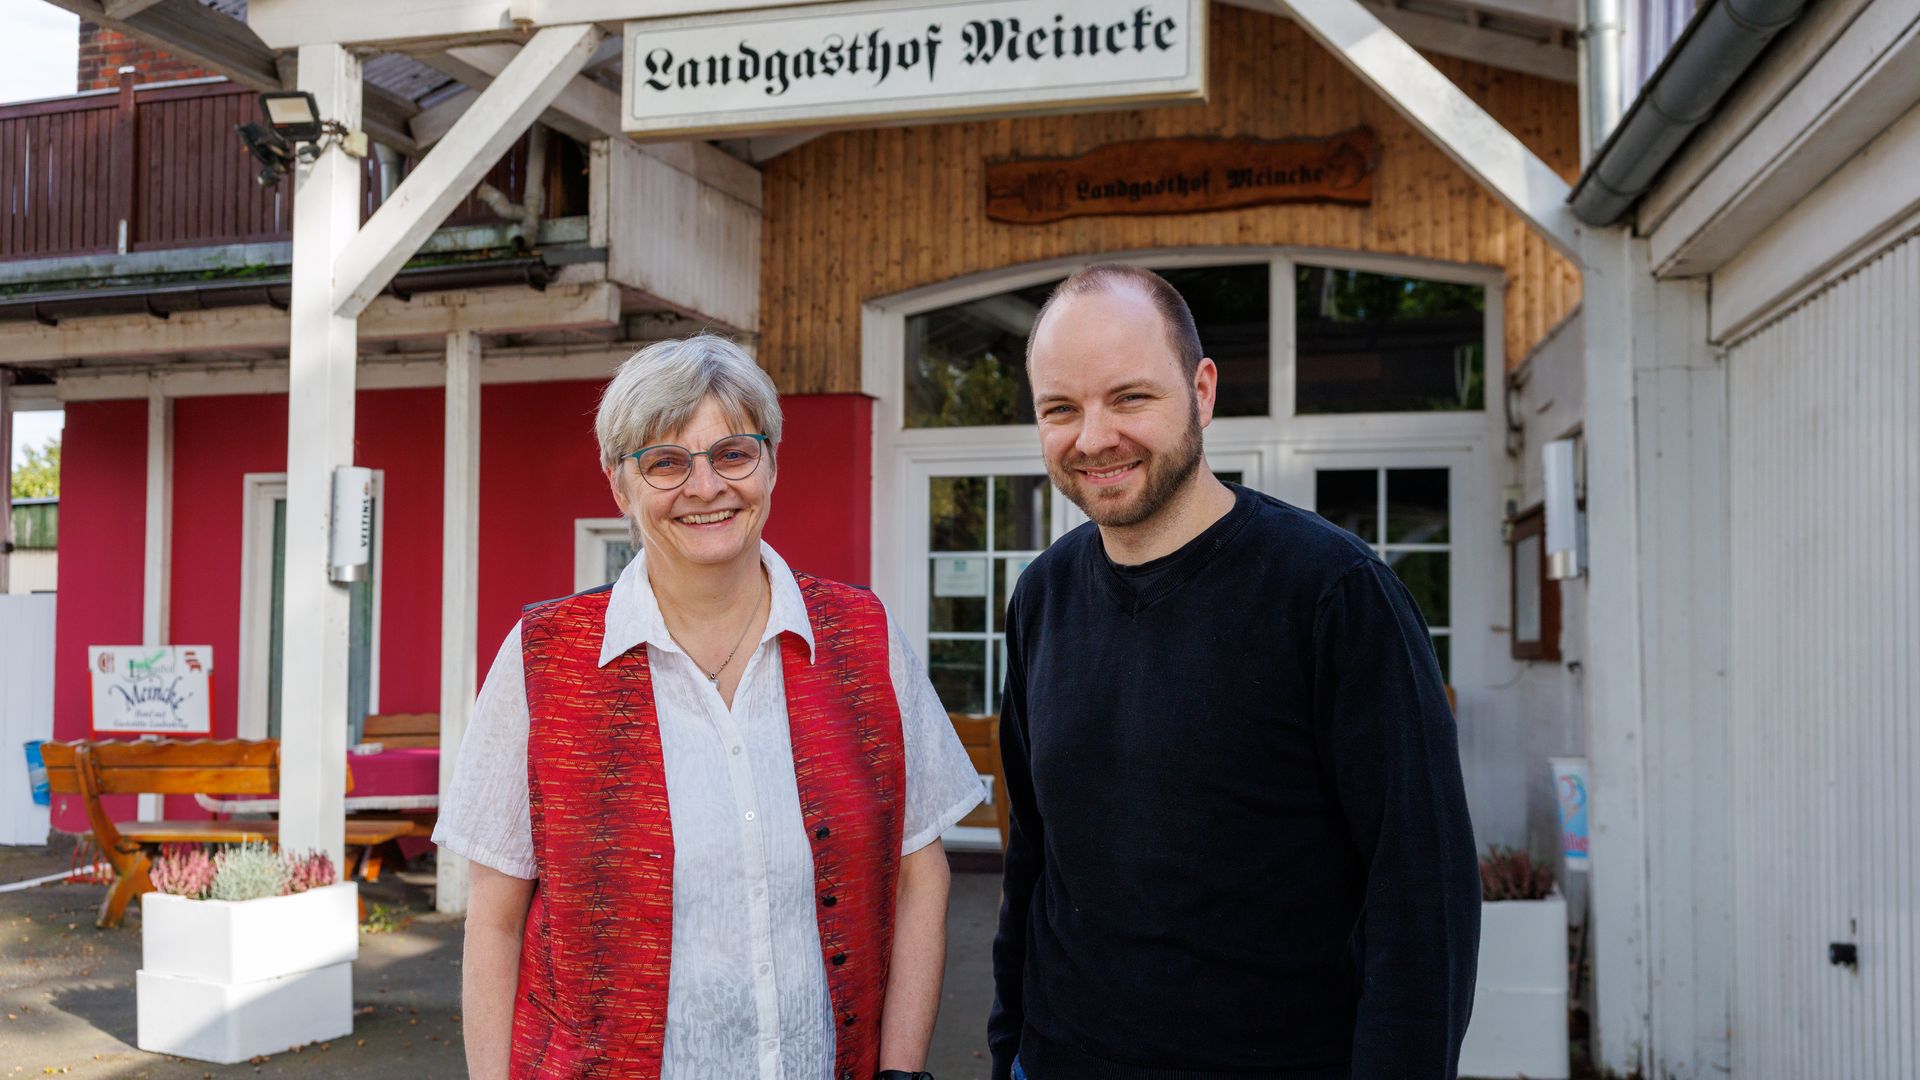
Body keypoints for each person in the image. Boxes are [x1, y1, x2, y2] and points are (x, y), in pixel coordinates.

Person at [435, 334, 985, 1080]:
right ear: (620, 486)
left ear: (770, 463)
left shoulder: (863, 636)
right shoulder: (542, 657)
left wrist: (900, 1070)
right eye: (666, 462)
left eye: (733, 453)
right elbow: (496, 921)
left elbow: (921, 875)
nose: (706, 487)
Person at [989, 265, 1480, 1080]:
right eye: (1061, 409)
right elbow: (1034, 856)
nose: (1093, 436)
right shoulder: (1042, 596)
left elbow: (1421, 893)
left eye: (1130, 397)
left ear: (1203, 391)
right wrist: (1010, 1043)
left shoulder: (1332, 593)